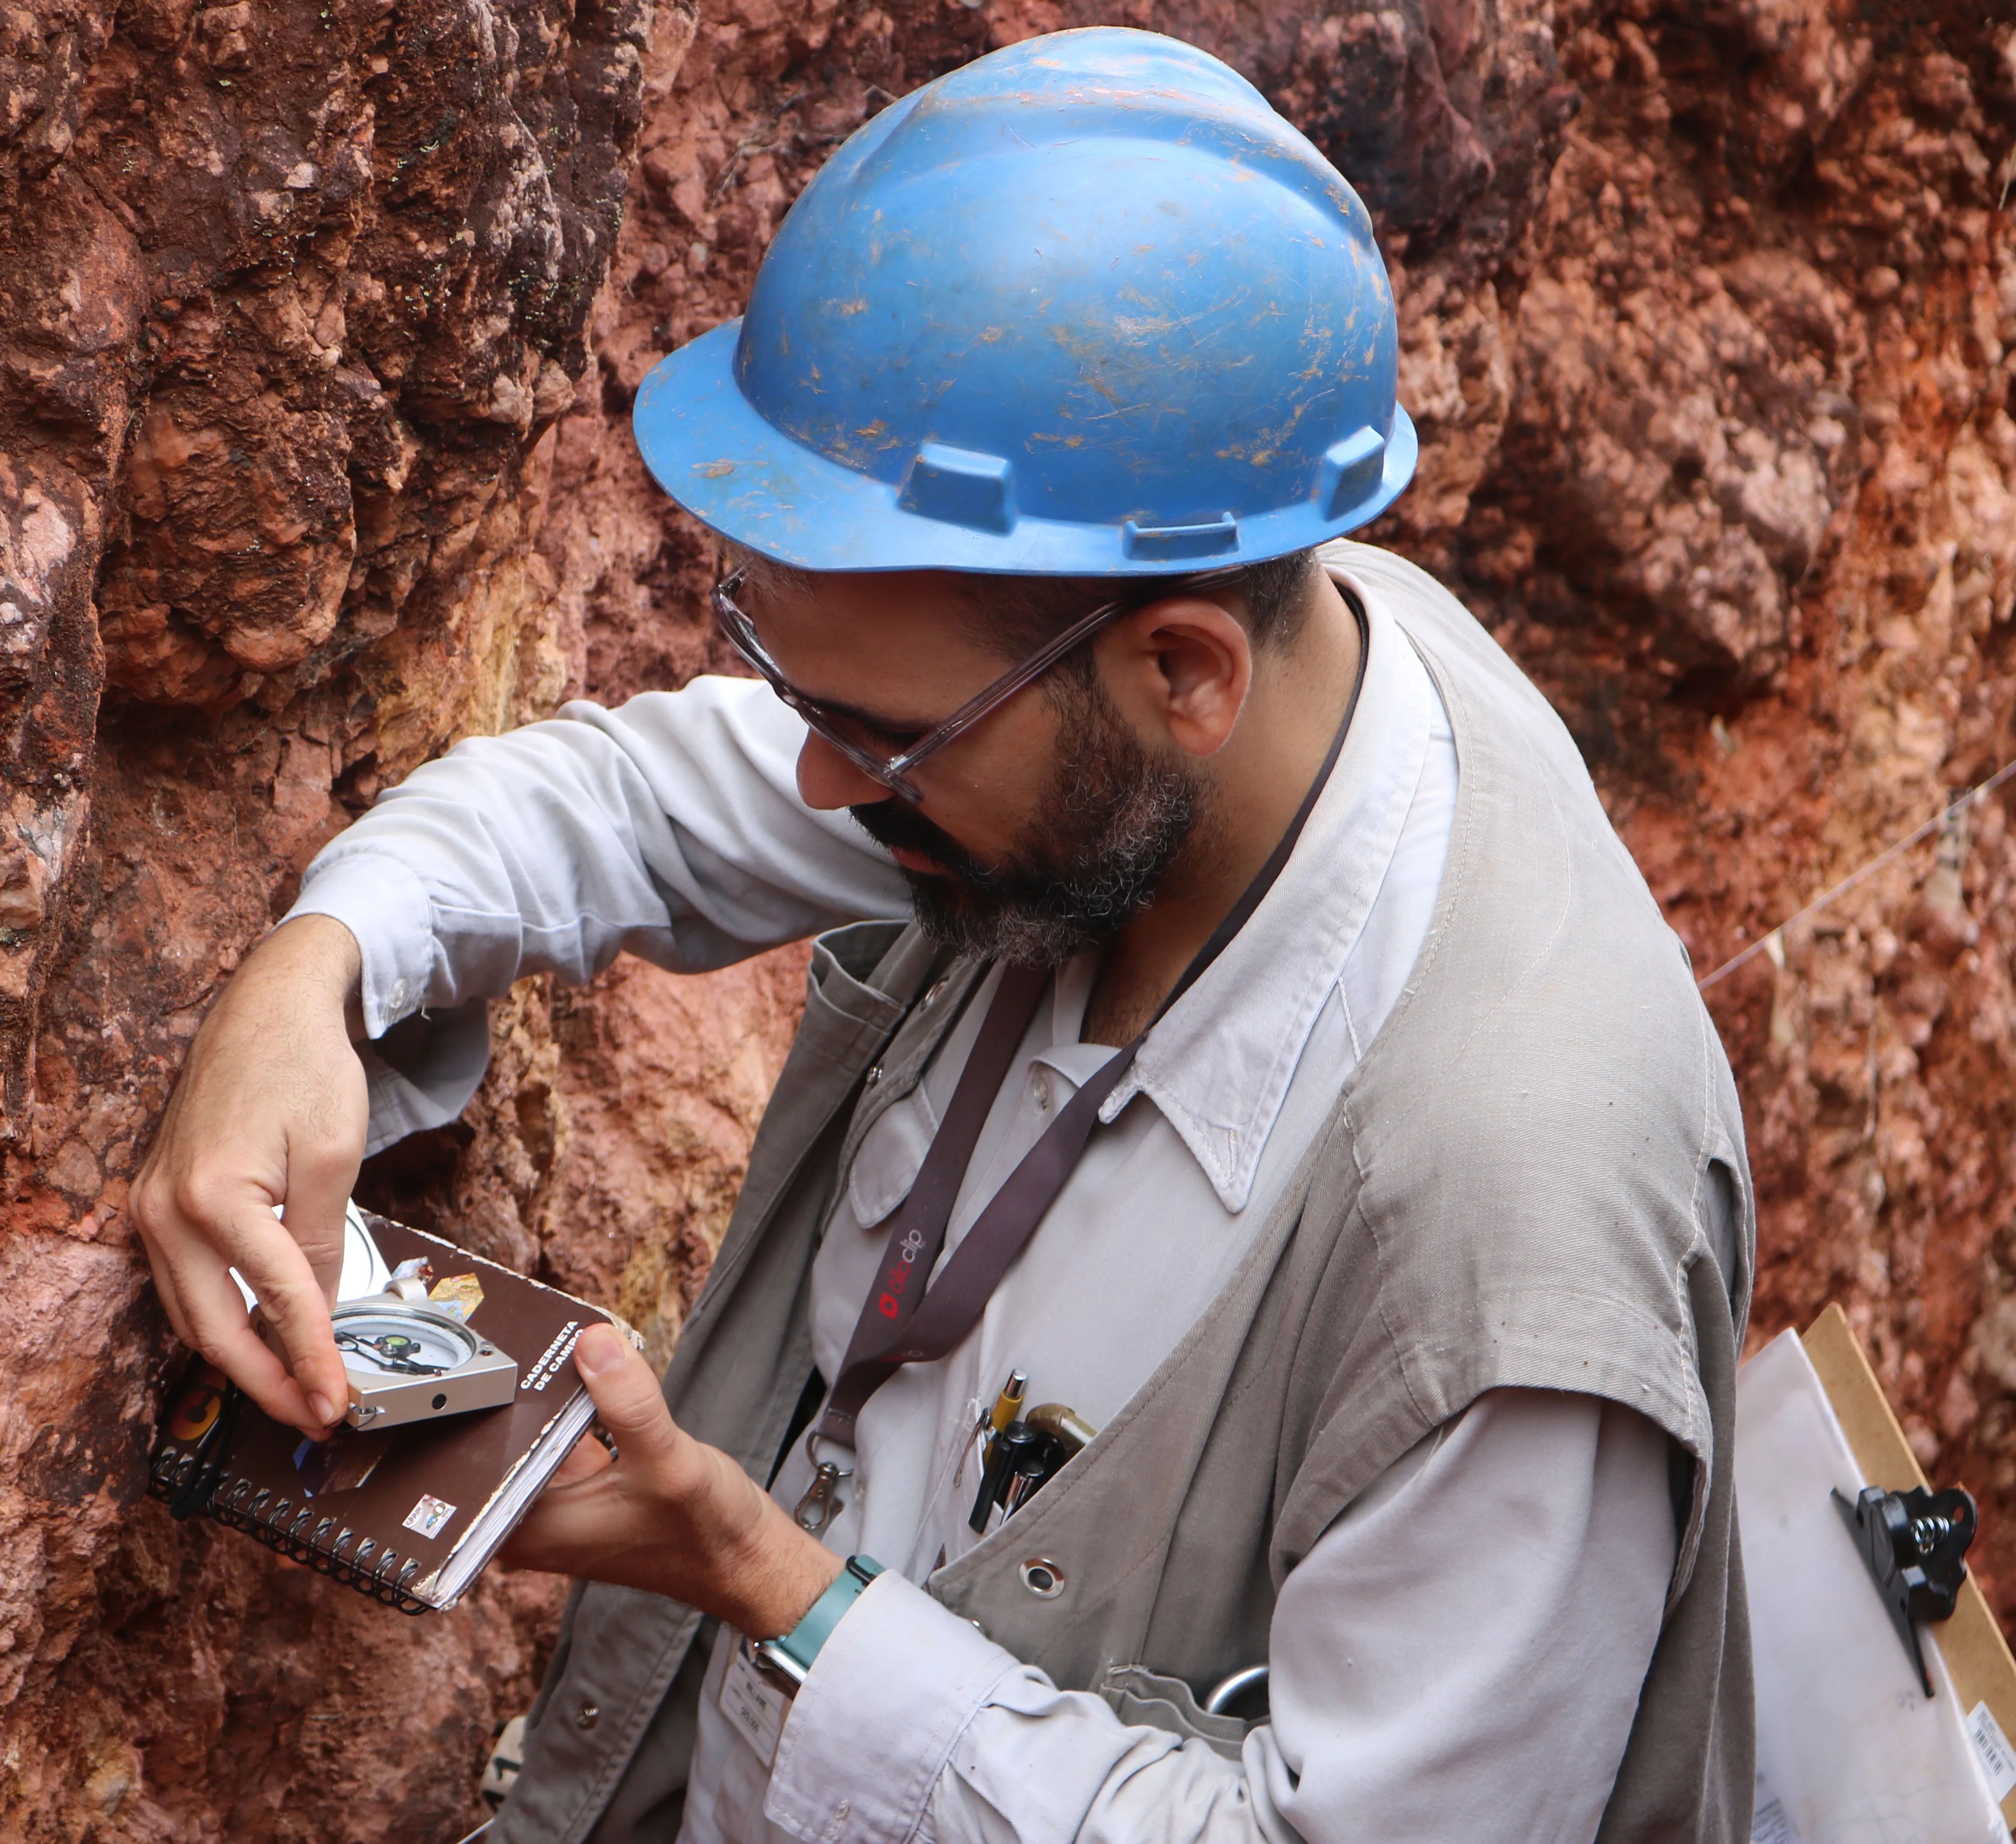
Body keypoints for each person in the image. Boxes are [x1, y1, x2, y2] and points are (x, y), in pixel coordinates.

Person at [131, 28, 1754, 1844]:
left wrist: (769, 1583)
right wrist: (313, 970)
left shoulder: (1515, 1243)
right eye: (793, 687)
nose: (818, 782)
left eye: (882, 737)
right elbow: (623, 807)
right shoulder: (1187, 656)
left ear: (1184, 676)